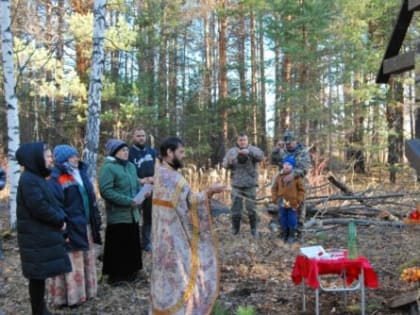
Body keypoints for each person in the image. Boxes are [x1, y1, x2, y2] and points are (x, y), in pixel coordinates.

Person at [150, 136, 226, 315]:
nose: (184, 156)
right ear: (169, 153)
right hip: (175, 239)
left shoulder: (159, 171)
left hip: (160, 238)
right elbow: (191, 204)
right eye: (181, 152)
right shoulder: (174, 179)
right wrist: (209, 192)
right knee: (179, 274)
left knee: (162, 275)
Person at [15, 142, 71, 315]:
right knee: (37, 276)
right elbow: (39, 207)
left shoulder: (35, 177)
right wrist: (59, 221)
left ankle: (40, 309)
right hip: (35, 237)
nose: (51, 160)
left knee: (39, 276)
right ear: (35, 159)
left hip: (39, 235)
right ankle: (39, 311)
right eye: (47, 156)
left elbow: (48, 202)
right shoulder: (29, 180)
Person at [46, 145, 102, 306]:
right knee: (72, 260)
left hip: (85, 224)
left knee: (85, 257)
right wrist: (63, 226)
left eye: (76, 156)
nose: (76, 159)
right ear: (63, 160)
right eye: (72, 157)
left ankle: (87, 293)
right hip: (70, 226)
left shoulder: (81, 173)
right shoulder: (57, 177)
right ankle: (70, 298)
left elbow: (89, 198)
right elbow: (57, 204)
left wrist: (95, 219)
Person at [99, 139, 142, 285]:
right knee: (119, 245)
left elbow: (134, 184)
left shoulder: (130, 166)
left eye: (127, 150)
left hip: (133, 214)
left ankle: (132, 273)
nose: (126, 152)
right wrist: (127, 201)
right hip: (118, 214)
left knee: (132, 243)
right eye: (122, 150)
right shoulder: (108, 168)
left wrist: (143, 192)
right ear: (114, 152)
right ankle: (116, 277)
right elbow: (106, 191)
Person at [222, 133, 264, 237]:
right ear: (237, 141)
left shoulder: (253, 149)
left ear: (247, 140)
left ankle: (254, 230)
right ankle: (235, 230)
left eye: (244, 140)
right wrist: (229, 162)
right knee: (235, 209)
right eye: (240, 140)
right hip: (236, 184)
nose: (242, 142)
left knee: (252, 208)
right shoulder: (231, 151)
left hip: (250, 184)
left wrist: (249, 152)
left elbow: (261, 157)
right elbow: (224, 164)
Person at [271, 130, 311, 225]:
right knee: (282, 202)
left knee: (300, 201)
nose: (288, 145)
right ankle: (283, 225)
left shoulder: (303, 152)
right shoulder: (282, 151)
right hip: (283, 181)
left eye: (290, 142)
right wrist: (276, 149)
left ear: (295, 141)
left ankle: (299, 225)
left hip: (298, 179)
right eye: (286, 143)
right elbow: (273, 161)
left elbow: (305, 168)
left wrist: (293, 174)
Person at [129, 128, 157, 252]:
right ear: (133, 137)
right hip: (136, 189)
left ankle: (146, 243)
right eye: (138, 135)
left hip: (152, 188)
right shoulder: (129, 153)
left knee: (149, 216)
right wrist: (139, 180)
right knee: (134, 216)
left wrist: (154, 178)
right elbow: (126, 173)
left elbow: (161, 167)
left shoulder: (152, 152)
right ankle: (132, 243)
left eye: (143, 135)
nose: (141, 138)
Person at [271, 156, 305, 243]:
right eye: (285, 164)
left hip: (293, 203)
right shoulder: (279, 176)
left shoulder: (297, 177)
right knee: (283, 219)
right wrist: (274, 197)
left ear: (292, 166)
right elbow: (274, 188)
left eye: (289, 165)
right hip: (281, 202)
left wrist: (299, 200)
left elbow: (301, 190)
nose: (286, 166)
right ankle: (284, 234)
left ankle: (291, 236)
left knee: (292, 219)